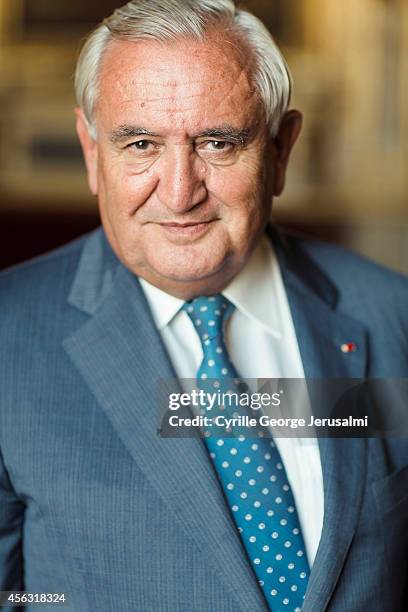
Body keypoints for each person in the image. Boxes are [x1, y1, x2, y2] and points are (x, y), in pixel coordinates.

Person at [0, 1, 407, 610]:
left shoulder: (392, 313)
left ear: (280, 151)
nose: (180, 190)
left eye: (218, 142)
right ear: (91, 152)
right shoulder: (8, 332)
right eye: (140, 143)